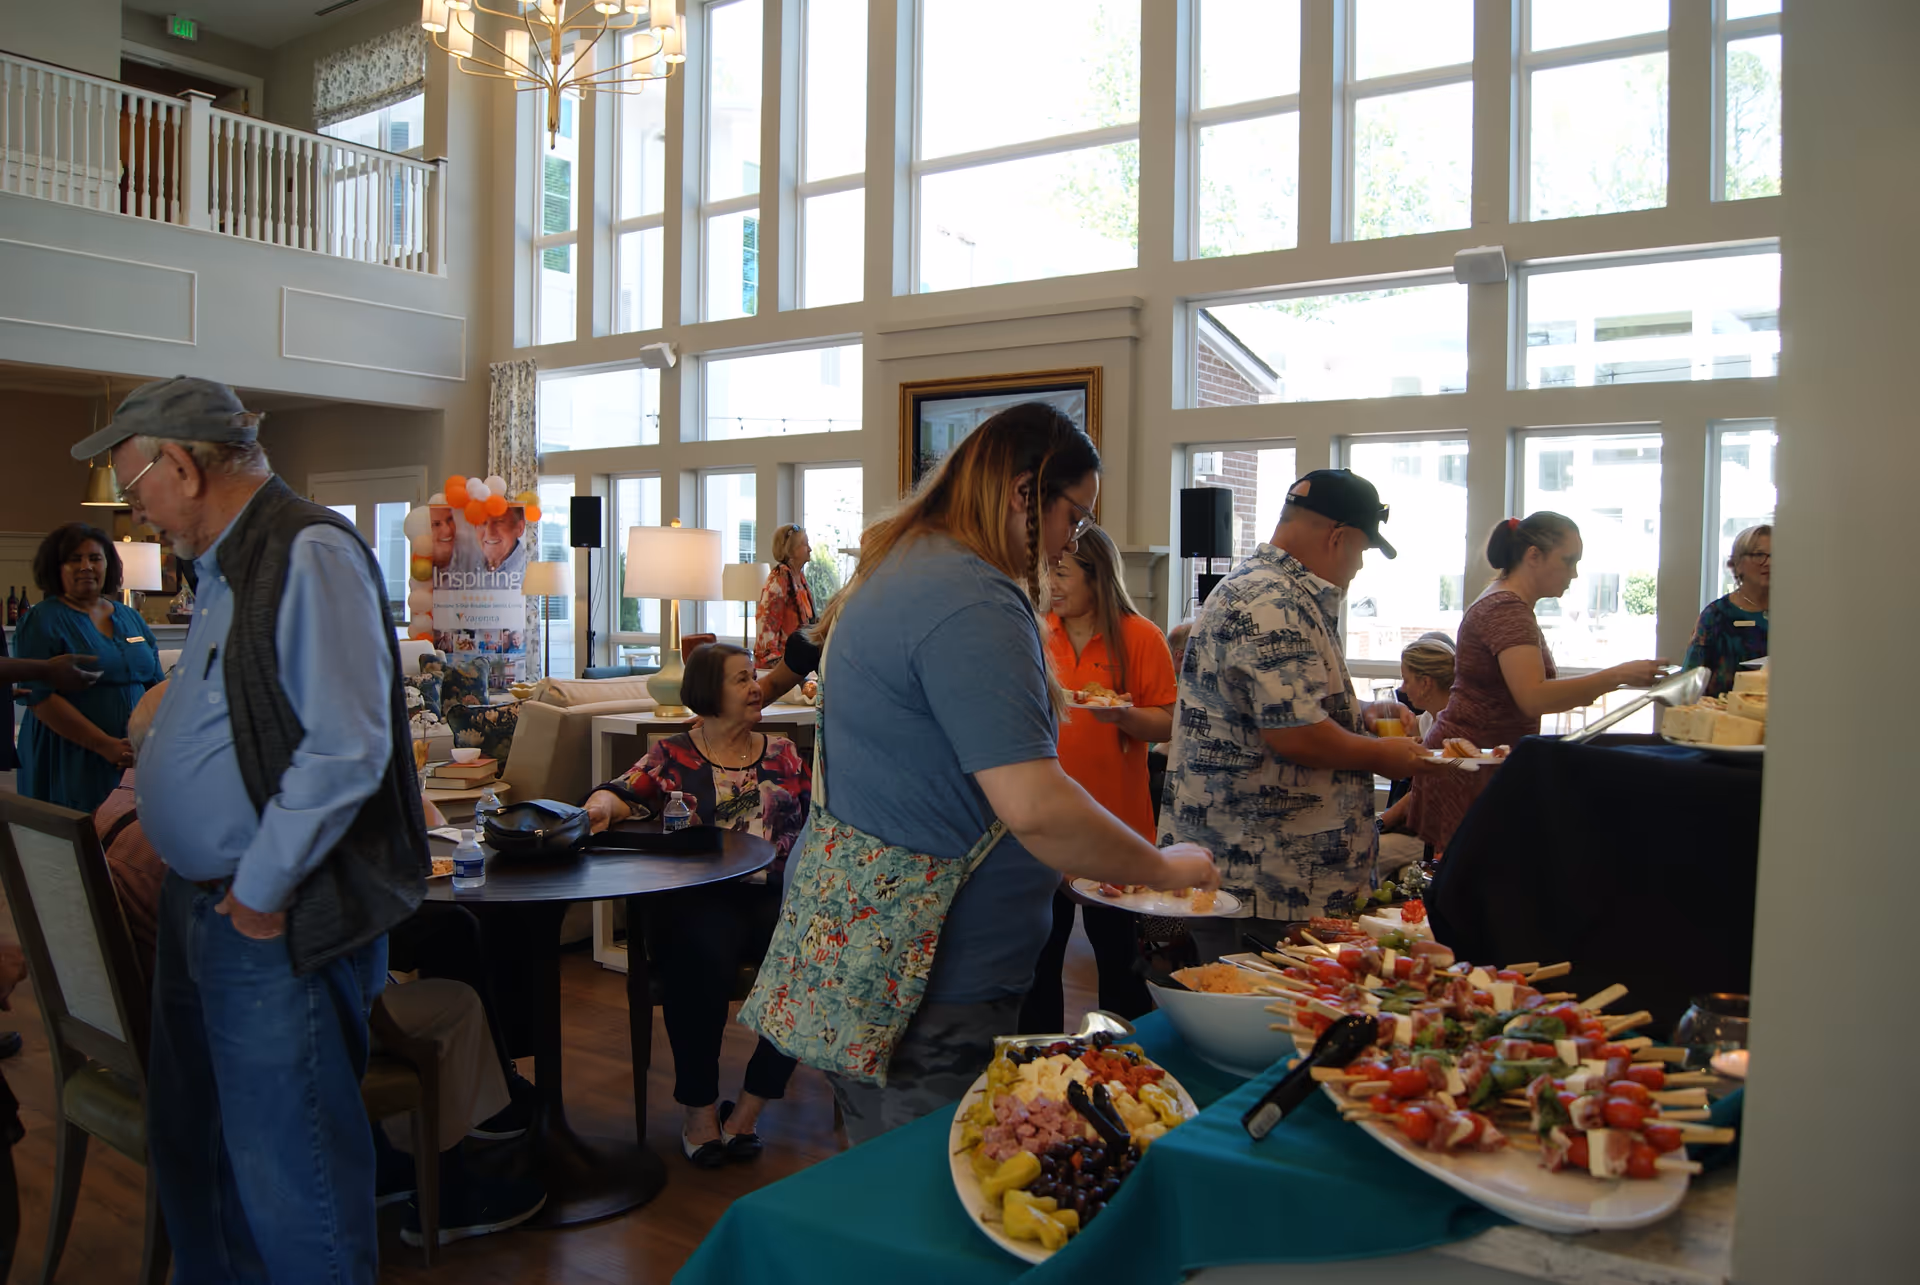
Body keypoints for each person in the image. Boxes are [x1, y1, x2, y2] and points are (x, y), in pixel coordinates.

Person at [75, 376, 428, 1285]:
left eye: (132, 482)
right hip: (210, 909)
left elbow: (347, 744)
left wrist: (262, 894)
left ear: (183, 466)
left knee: (292, 1180)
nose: (132, 510)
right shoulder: (230, 563)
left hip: (269, 919)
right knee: (199, 1157)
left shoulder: (307, 548)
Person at [796, 402, 1216, 1141]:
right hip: (933, 971)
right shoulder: (970, 598)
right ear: (1025, 494)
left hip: (891, 951)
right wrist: (1163, 869)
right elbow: (1034, 805)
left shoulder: (908, 564)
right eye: (1073, 516)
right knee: (923, 1191)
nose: (1069, 540)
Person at [1161, 470, 1428, 961]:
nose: (1359, 566)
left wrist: (1361, 712)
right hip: (1264, 881)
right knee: (1254, 1025)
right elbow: (1297, 735)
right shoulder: (1273, 601)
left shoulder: (1269, 589)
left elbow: (1284, 708)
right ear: (1339, 537)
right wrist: (1383, 756)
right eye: (1363, 551)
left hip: (1268, 875)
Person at [582, 643, 811, 1166]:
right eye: (740, 680)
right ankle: (699, 1111)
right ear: (710, 693)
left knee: (813, 957)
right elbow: (626, 790)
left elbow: (820, 820)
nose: (757, 688)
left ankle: (748, 1109)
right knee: (700, 952)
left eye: (754, 677)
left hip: (772, 895)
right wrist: (601, 806)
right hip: (699, 897)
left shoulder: (783, 754)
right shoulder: (674, 754)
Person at [1403, 513, 1666, 856]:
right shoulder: (1507, 609)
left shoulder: (1503, 600)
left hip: (1474, 757)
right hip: (1471, 762)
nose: (1573, 573)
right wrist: (1617, 676)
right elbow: (1533, 696)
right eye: (1568, 561)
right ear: (1533, 556)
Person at [1020, 526, 1177, 1032]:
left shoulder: (1141, 636)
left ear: (1097, 575)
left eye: (1061, 573)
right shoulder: (1034, 629)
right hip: (1045, 827)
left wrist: (1126, 718)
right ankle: (1036, 1065)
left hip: (1117, 826)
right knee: (1039, 962)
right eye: (1047, 573)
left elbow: (1169, 718)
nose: (1052, 585)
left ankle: (1130, 1065)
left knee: (1120, 964)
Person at [11, 525, 162, 813]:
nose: (86, 567)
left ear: (108, 564)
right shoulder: (42, 619)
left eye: (95, 558)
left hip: (134, 753)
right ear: (56, 568)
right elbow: (39, 697)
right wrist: (105, 745)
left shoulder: (130, 616)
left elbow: (155, 683)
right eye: (74, 559)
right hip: (70, 753)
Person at [1378, 633, 1457, 835]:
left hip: (1432, 833)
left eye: (1406, 680)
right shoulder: (1432, 717)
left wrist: (1377, 824)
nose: (1403, 689)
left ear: (1426, 684)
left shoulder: (1449, 728)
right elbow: (1409, 729)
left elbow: (1416, 794)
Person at [1685, 524, 1771, 696]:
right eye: (1759, 555)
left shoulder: (1795, 614)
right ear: (1738, 564)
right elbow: (1690, 680)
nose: (1769, 562)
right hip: (1724, 715)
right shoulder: (1716, 615)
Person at [754, 524, 816, 670]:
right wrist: (775, 665)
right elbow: (766, 626)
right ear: (791, 550)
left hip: (800, 664)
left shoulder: (799, 578)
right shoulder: (778, 580)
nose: (810, 549)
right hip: (782, 668)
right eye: (805, 544)